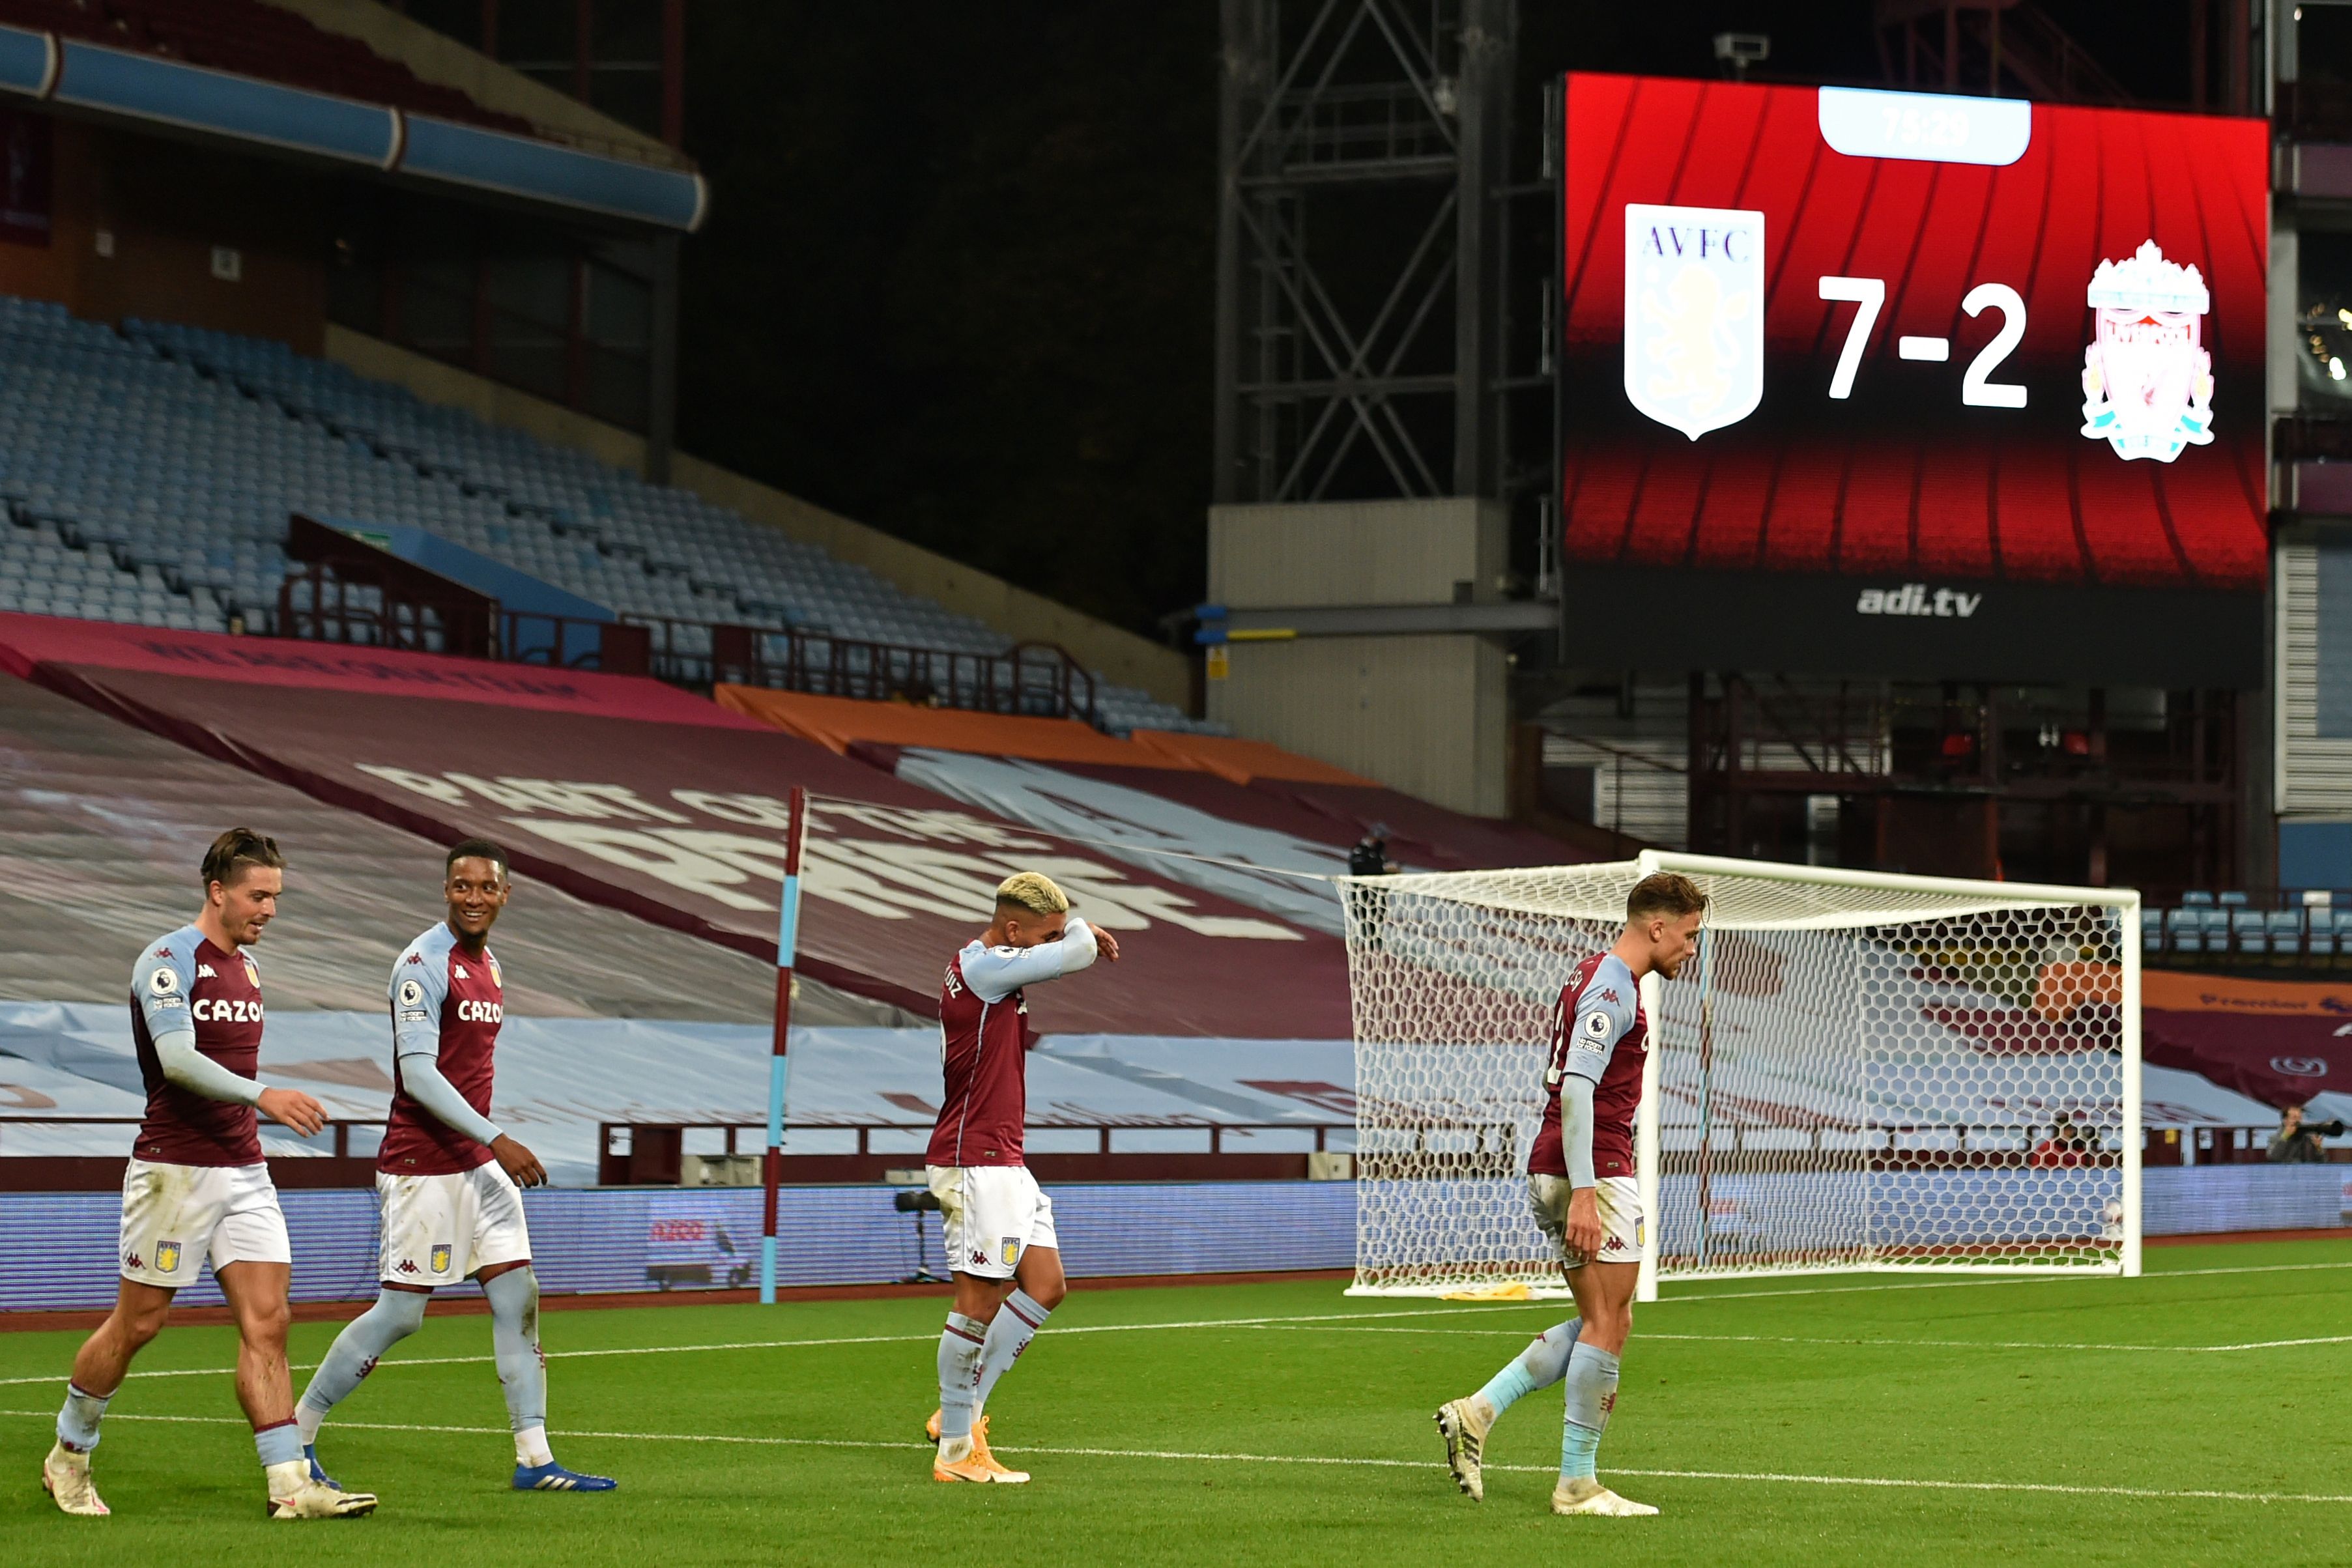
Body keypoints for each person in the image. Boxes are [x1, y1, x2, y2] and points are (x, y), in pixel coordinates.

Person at [44, 829, 375, 1520]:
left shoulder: (247, 969)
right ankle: (69, 1455)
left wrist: (256, 1116)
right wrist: (267, 1096)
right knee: (140, 1324)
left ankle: (289, 1484)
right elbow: (178, 1061)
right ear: (217, 891)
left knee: (269, 1322)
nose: (271, 910)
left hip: (244, 1171)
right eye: (259, 896)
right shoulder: (167, 960)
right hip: (173, 1172)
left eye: (277, 897)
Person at [294, 840, 614, 1493]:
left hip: (476, 1166)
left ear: (504, 894)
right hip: (423, 1164)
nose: (474, 896)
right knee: (401, 1315)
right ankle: (294, 1435)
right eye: (462, 886)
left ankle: (534, 1459)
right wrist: (498, 1137)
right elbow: (416, 1075)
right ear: (446, 891)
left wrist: (487, 1147)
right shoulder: (421, 964)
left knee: (518, 1298)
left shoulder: (491, 965)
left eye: (486, 887)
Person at [1434, 871, 1708, 1519]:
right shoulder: (1611, 985)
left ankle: (1476, 1412)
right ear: (1658, 925)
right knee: (1611, 1323)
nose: (1691, 949)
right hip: (1593, 1167)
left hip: (1562, 1162)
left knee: (1601, 1320)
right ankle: (1576, 1484)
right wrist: (1587, 1193)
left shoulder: (1594, 972)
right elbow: (1579, 1088)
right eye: (1690, 935)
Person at [925, 872, 1122, 1484]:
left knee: (1045, 1283)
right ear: (1013, 930)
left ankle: (958, 1415)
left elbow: (1073, 945)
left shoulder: (990, 963)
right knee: (978, 1301)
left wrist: (1071, 931)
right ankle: (956, 1450)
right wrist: (1080, 932)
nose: (1050, 946)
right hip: (976, 1157)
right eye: (1043, 935)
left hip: (1004, 1158)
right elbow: (1082, 949)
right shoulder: (985, 968)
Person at [2266, 1104, 2342, 1164]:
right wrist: (2286, 1136)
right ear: (2285, 1121)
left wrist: (2319, 1149)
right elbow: (2274, 1158)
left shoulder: (2307, 1137)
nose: (2298, 1121)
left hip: (2305, 1176)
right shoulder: (2275, 1137)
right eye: (2294, 1118)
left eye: (2300, 1117)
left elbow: (2322, 1162)